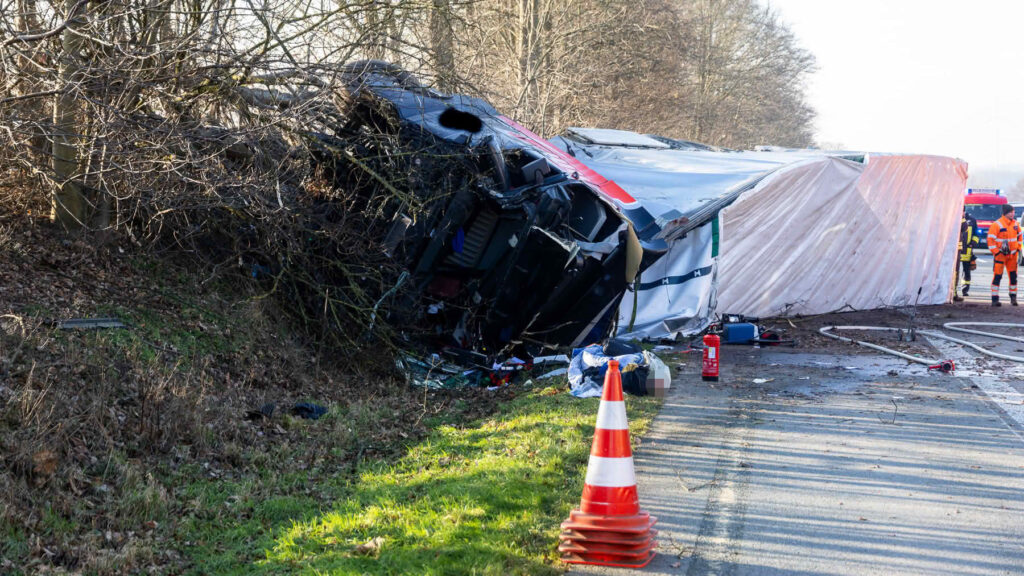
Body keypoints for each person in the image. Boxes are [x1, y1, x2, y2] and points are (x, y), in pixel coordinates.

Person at [986, 203, 1022, 306]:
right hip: (1000, 256)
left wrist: (1018, 248)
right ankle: (994, 299)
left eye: (1013, 212)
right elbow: (990, 240)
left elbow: (1020, 237)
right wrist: (997, 252)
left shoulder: (1016, 224)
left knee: (1013, 277)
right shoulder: (996, 225)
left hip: (1012, 256)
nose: (1012, 214)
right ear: (1005, 213)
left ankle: (1013, 298)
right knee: (998, 276)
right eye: (1010, 212)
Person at [954, 208, 978, 302]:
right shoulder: (955, 218)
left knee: (967, 271)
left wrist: (973, 242)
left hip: (967, 250)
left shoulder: (972, 220)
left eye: (962, 211)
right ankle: (955, 291)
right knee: (956, 271)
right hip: (957, 250)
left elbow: (976, 233)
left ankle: (965, 290)